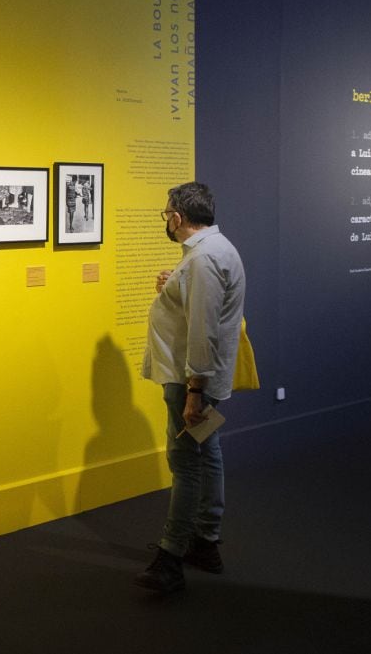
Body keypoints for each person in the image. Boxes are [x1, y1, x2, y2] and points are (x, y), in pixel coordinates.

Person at [136, 182, 245, 596]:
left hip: (190, 381)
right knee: (208, 452)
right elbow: (204, 311)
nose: (167, 220)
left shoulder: (204, 260)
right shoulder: (215, 252)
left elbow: (203, 331)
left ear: (177, 218)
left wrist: (196, 391)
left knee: (185, 463)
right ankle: (206, 542)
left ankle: (171, 557)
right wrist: (173, 288)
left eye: (167, 214)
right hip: (197, 379)